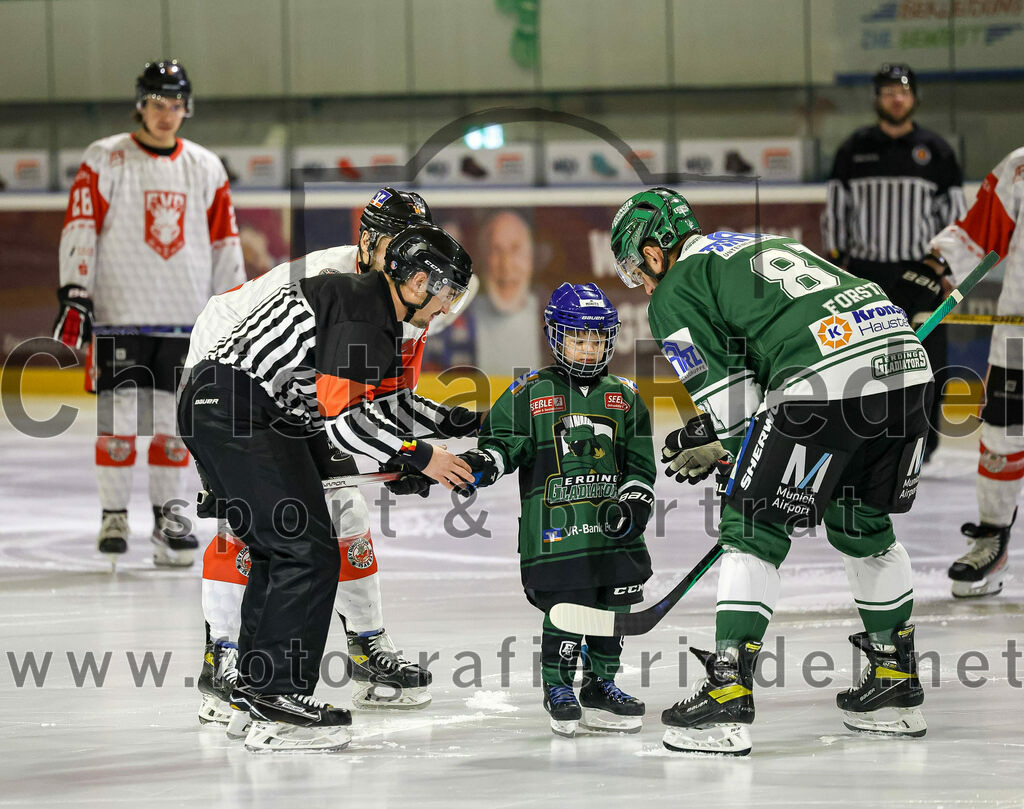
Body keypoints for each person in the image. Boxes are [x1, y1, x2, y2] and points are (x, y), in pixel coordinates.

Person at [612, 187, 933, 755]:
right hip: (907, 367)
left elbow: (735, 404)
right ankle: (894, 683)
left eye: (640, 270)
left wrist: (735, 456)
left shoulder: (676, 289)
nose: (644, 283)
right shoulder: (751, 244)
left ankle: (727, 693)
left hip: (824, 384)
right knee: (863, 526)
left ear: (656, 252)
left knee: (750, 528)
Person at [177, 224, 476, 752]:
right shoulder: (369, 317)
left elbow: (378, 407)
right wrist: (420, 456)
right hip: (241, 411)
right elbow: (345, 426)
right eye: (447, 292)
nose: (448, 308)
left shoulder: (367, 305)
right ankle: (280, 702)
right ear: (416, 281)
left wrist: (453, 421)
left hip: (229, 404)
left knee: (280, 550)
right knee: (306, 551)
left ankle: (254, 692)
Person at [52, 60, 244, 567]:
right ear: (142, 103)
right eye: (158, 103)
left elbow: (225, 241)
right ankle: (113, 516)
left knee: (173, 427)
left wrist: (235, 306)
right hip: (121, 314)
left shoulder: (205, 166)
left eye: (175, 104)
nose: (166, 113)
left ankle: (168, 521)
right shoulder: (105, 158)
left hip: (185, 319)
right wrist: (76, 290)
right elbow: (81, 226)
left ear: (187, 107)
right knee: (117, 425)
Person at [454, 282, 655, 738]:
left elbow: (640, 462)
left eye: (597, 339)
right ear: (556, 337)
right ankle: (558, 686)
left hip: (612, 532)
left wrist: (637, 499)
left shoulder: (624, 395)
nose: (588, 350)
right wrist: (483, 464)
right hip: (558, 532)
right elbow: (504, 444)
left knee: (612, 610)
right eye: (578, 339)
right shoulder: (531, 392)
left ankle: (602, 684)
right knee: (569, 607)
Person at [822, 63, 966, 462]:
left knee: (929, 362)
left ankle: (925, 443)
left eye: (902, 92)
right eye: (887, 92)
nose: (896, 98)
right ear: (877, 99)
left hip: (924, 273)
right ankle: (867, 441)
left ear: (914, 97)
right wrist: (837, 267)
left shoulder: (936, 151)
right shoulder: (854, 150)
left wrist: (948, 271)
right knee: (867, 361)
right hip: (867, 276)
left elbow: (955, 219)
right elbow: (836, 212)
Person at [929, 146, 1024, 598]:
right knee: (1004, 434)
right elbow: (980, 231)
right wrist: (938, 267)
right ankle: (993, 540)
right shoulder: (1021, 165)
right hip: (1019, 332)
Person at [470, 210, 542, 374]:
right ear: (482, 259)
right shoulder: (456, 321)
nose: (506, 265)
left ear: (531, 258)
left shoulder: (556, 319)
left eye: (515, 249)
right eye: (496, 250)